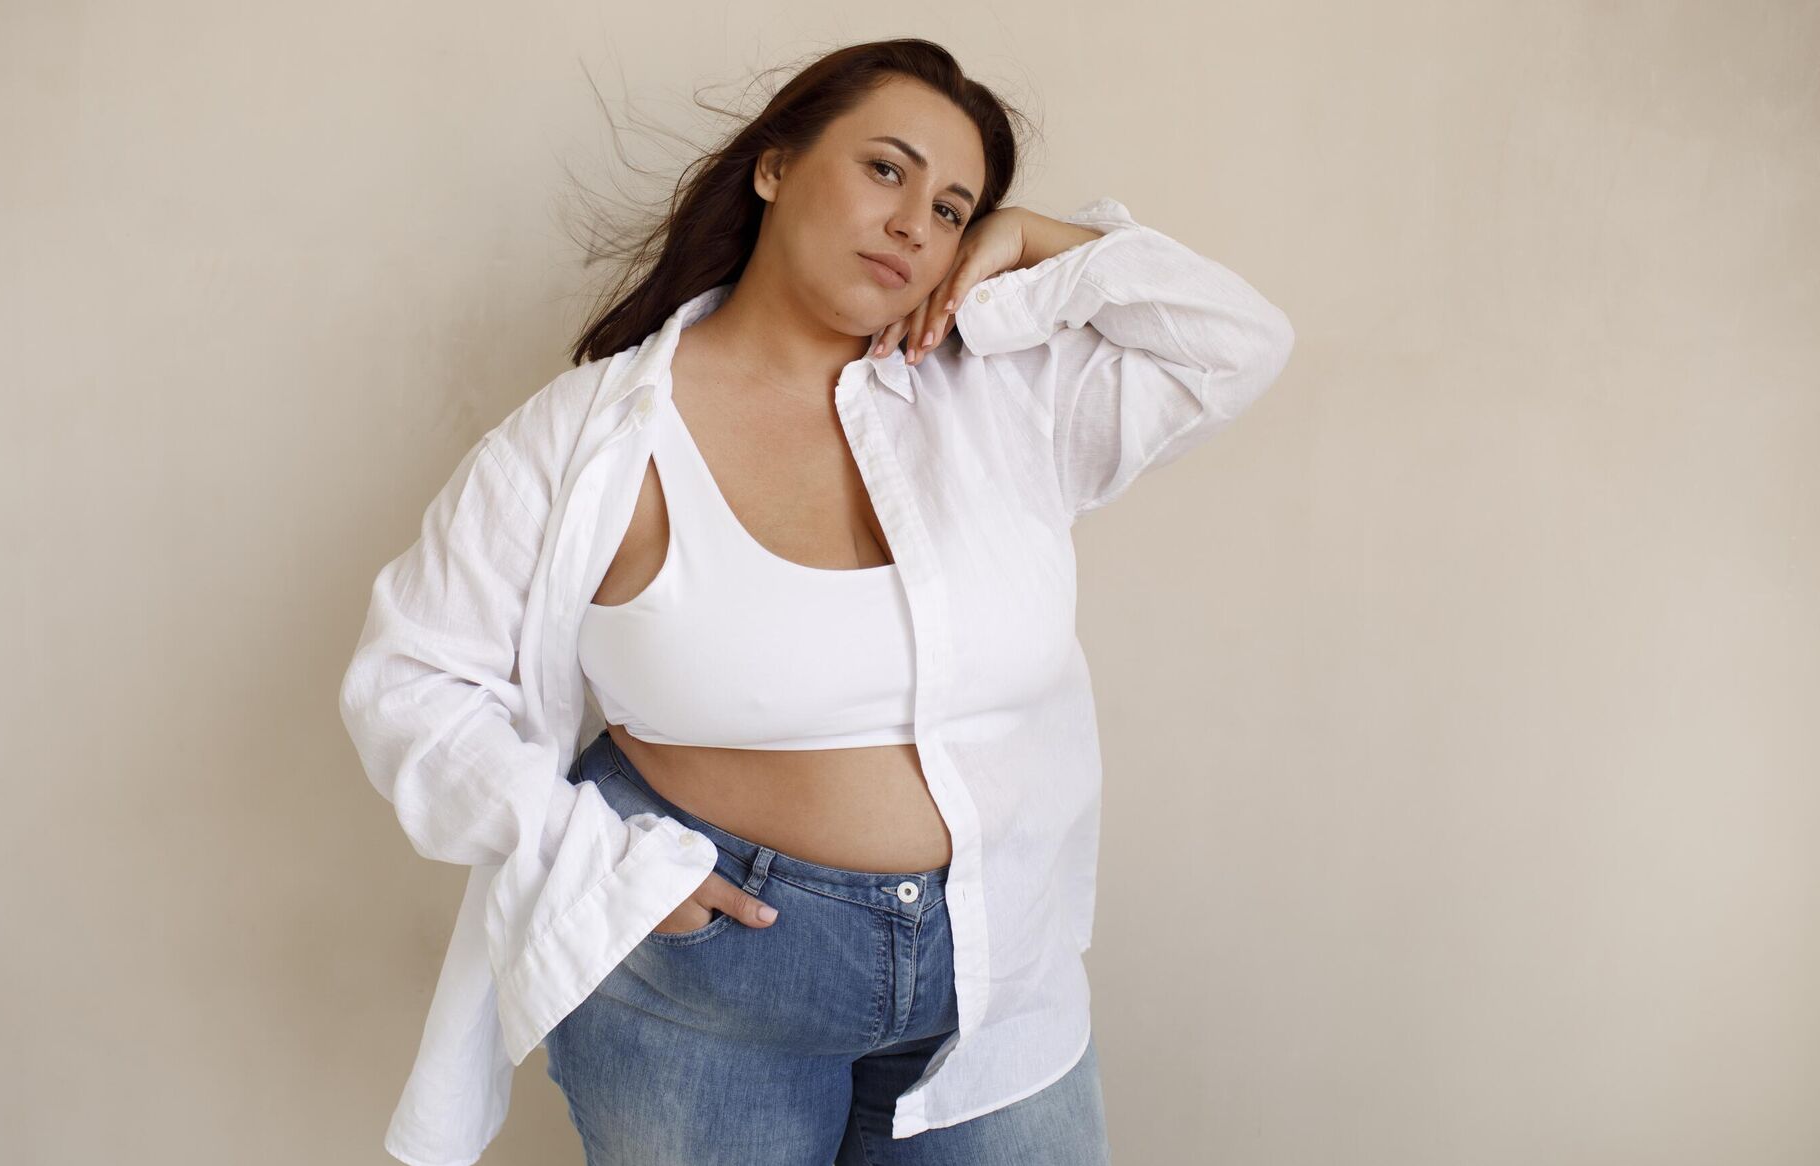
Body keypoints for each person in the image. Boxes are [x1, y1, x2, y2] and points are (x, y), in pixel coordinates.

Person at [339, 37, 1296, 1166]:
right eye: (886, 169)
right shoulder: (591, 435)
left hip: (997, 979)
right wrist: (595, 863)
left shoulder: (999, 399)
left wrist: (1037, 239)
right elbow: (412, 683)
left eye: (950, 209)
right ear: (775, 166)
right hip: (706, 988)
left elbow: (1238, 343)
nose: (913, 225)